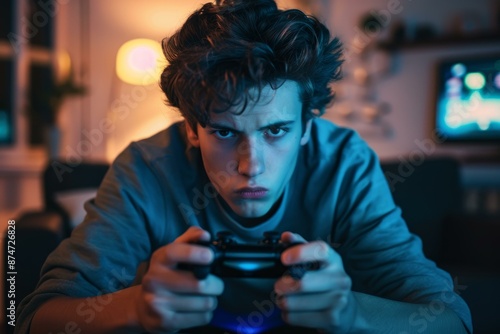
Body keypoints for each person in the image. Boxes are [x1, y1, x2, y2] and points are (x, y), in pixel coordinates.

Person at [16, 0, 472, 333]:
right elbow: (33, 317)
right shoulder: (146, 168)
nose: (251, 166)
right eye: (225, 132)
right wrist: (136, 308)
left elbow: (450, 319)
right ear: (192, 129)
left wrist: (351, 313)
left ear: (307, 127)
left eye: (276, 132)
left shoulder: (345, 164)